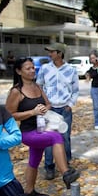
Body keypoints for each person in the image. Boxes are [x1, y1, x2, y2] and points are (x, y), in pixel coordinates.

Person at [6, 57, 80, 196]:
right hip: (28, 133)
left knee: (34, 160)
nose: (32, 70)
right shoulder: (16, 91)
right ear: (18, 71)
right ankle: (66, 173)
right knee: (56, 137)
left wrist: (43, 109)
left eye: (33, 67)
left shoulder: (37, 86)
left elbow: (48, 104)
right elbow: (9, 115)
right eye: (28, 68)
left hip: (41, 128)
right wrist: (31, 112)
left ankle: (29, 192)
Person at [36, 42, 79, 180]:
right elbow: (39, 86)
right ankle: (49, 167)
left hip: (64, 109)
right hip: (50, 109)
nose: (49, 54)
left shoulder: (71, 70)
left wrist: (70, 104)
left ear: (60, 53)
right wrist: (44, 103)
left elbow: (75, 89)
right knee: (48, 139)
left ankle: (66, 165)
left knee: (64, 137)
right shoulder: (44, 68)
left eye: (52, 52)